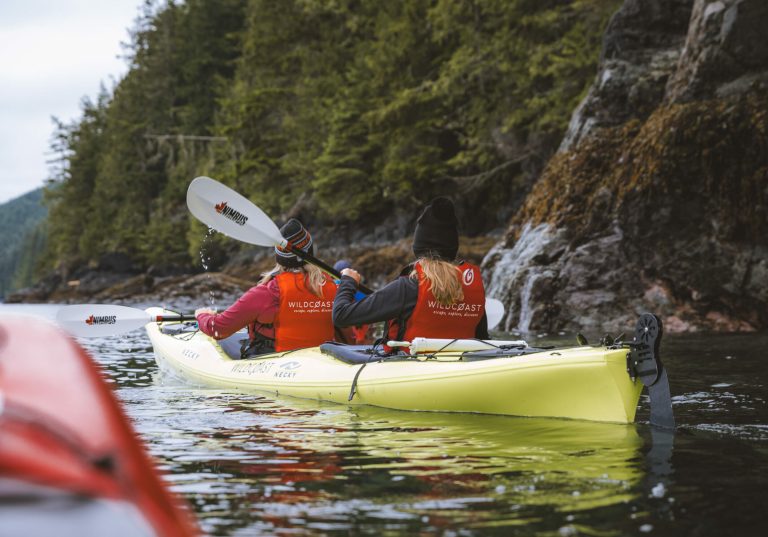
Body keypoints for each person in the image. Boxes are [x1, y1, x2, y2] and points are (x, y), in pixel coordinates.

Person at [332, 197, 488, 352]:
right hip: (461, 368)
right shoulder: (472, 289)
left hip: (411, 368)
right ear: (453, 249)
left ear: (419, 248)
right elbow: (483, 341)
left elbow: (340, 316)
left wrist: (348, 281)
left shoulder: (407, 287)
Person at [195, 219, 341, 355]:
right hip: (323, 362)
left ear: (280, 257)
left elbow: (218, 329)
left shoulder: (267, 292)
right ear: (311, 252)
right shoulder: (335, 287)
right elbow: (349, 336)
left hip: (278, 362)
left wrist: (202, 316)